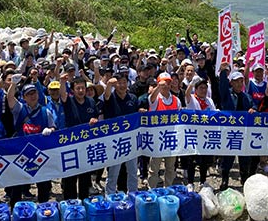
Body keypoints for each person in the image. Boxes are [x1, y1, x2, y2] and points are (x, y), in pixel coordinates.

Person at [5, 76, 56, 204]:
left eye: (34, 93)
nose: (32, 96)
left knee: (43, 185)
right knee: (17, 184)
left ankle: (43, 209)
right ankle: (16, 210)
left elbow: (53, 128)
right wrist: (13, 84)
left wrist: (50, 130)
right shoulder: (19, 109)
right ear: (24, 97)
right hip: (21, 153)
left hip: (40, 153)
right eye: (29, 94)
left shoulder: (46, 112)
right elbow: (10, 98)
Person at [59, 75, 99, 199]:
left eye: (83, 88)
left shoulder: (91, 101)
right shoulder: (69, 101)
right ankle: (69, 204)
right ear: (73, 90)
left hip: (86, 145)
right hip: (71, 144)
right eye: (78, 88)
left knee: (85, 177)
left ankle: (83, 201)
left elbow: (96, 117)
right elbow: (62, 94)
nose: (81, 91)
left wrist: (95, 120)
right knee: (70, 178)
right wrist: (62, 81)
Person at [218, 64, 257, 190]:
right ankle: (225, 179)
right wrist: (224, 71)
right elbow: (222, 85)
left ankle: (244, 179)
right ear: (232, 83)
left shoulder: (246, 96)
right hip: (229, 131)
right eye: (236, 81)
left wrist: (253, 109)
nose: (240, 84)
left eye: (241, 81)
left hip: (244, 132)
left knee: (245, 157)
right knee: (227, 158)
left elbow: (254, 106)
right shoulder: (227, 96)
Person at [101, 67, 139, 195]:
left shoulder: (133, 98)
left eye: (124, 82)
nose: (122, 85)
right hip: (115, 141)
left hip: (131, 140)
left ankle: (133, 193)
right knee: (113, 171)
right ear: (115, 84)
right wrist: (109, 85)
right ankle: (110, 194)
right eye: (119, 82)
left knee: (133, 170)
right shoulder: (110, 97)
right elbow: (105, 96)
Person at [147, 72, 182, 188]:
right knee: (154, 169)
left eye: (168, 83)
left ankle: (168, 189)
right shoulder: (155, 99)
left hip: (171, 138)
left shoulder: (176, 100)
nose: (165, 86)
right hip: (157, 140)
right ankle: (151, 190)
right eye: (163, 83)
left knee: (170, 168)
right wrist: (158, 86)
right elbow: (151, 98)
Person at [182, 77, 216, 186]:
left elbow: (214, 113)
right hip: (193, 134)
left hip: (206, 134)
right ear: (196, 90)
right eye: (201, 88)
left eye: (205, 88)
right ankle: (191, 182)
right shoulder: (192, 98)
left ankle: (202, 181)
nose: (204, 90)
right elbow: (187, 94)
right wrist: (191, 84)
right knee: (192, 160)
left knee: (204, 160)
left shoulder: (209, 100)